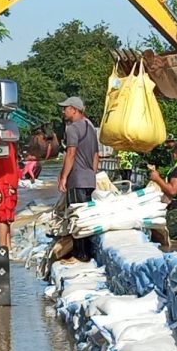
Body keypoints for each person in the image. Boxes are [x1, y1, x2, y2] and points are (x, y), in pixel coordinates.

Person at [58, 96, 99, 258]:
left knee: (77, 218)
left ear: (74, 110)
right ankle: (88, 253)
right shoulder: (90, 126)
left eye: (65, 108)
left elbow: (71, 153)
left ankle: (80, 255)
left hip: (76, 179)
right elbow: (96, 154)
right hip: (89, 179)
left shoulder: (72, 128)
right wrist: (91, 174)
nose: (63, 111)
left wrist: (63, 177)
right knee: (87, 218)